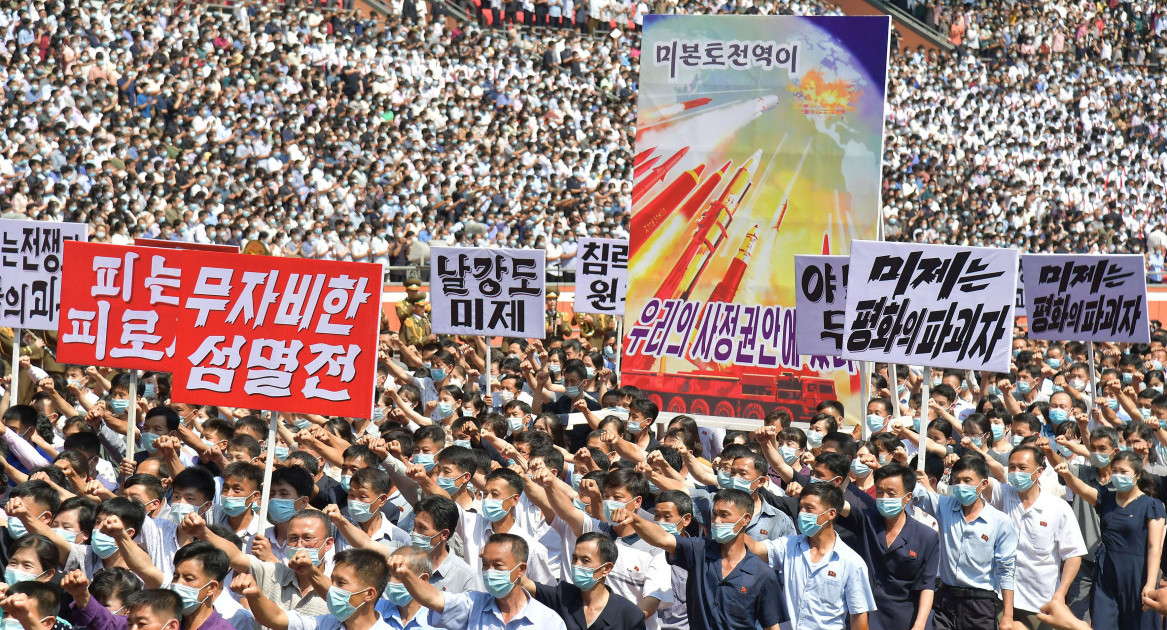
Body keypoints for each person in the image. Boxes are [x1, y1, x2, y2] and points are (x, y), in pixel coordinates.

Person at [612, 488, 784, 630]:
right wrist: (635, 520)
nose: (716, 521)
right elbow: (662, 539)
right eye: (714, 514)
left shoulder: (762, 574)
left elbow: (771, 626)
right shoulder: (699, 549)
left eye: (724, 515)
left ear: (745, 519)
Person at [1054, 450, 1165, 629]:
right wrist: (1067, 474)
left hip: (1137, 575)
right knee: (1103, 622)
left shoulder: (1151, 505)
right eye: (1115, 471)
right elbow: (1080, 488)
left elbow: (1154, 547)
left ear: (1137, 476)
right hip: (1107, 573)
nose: (1118, 476)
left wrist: (1150, 584)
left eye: (1124, 472)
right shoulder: (1106, 498)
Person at [744, 484, 876, 630]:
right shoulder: (789, 546)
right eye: (801, 507)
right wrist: (733, 523)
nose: (802, 513)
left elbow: (859, 619)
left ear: (831, 513)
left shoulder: (852, 563)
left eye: (809, 508)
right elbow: (755, 548)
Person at [912, 455, 1018, 630]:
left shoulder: (1000, 521)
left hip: (979, 604)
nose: (961, 486)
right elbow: (911, 491)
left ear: (983, 484)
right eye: (957, 481)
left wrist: (1008, 615)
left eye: (967, 480)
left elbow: (1006, 570)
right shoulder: (944, 507)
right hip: (946, 600)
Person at [986, 444, 1086, 627]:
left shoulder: (1058, 508)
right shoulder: (1004, 495)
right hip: (1002, 598)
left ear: (1039, 471)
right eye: (1012, 467)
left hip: (1040, 602)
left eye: (1022, 468)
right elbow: (981, 482)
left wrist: (1061, 593)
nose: (1016, 472)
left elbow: (1073, 554)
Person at [391, 532, 569, 630]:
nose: (489, 572)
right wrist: (406, 575)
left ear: (521, 570)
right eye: (485, 565)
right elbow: (434, 599)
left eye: (498, 566)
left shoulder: (548, 621)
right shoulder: (472, 605)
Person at [836, 463, 939, 630]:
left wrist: (919, 624)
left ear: (908, 497)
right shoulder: (866, 520)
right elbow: (839, 504)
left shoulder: (926, 536)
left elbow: (927, 585)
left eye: (892, 493)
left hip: (903, 620)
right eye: (880, 492)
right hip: (862, 617)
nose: (884, 498)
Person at [233, 548, 392, 630]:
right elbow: (276, 618)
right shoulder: (326, 623)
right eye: (332, 580)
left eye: (341, 583)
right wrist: (254, 594)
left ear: (369, 594)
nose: (332, 588)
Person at [516, 533, 646, 630]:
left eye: (585, 560)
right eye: (574, 558)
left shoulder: (630, 615)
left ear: (606, 568)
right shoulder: (563, 597)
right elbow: (526, 583)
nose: (577, 565)